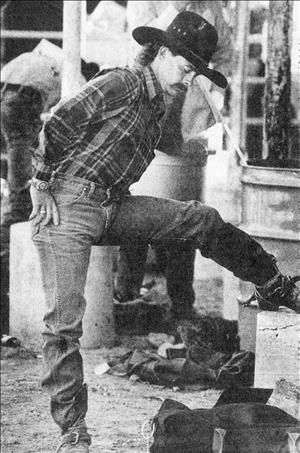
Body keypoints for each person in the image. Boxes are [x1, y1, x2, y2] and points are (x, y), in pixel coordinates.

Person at [29, 12, 299, 452]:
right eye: (185, 68)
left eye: (196, 73)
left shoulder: (158, 104)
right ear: (163, 53)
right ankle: (73, 434)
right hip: (67, 206)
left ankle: (276, 284)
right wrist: (40, 184)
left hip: (110, 203)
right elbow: (58, 123)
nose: (187, 79)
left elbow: (177, 139)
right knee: (64, 325)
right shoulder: (123, 83)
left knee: (201, 218)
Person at [115, 0, 232, 319]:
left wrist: (204, 88)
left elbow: (224, 52)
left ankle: (182, 303)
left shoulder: (212, 8)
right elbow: (144, 44)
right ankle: (126, 297)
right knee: (136, 206)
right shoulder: (148, 6)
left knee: (185, 212)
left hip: (188, 115)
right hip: (151, 101)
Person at [0, 45, 99, 335]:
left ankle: (16, 208)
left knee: (20, 147)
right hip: (23, 97)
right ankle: (16, 216)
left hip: (9, 87)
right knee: (21, 153)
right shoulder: (77, 78)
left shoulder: (48, 57)